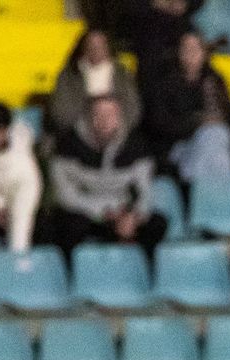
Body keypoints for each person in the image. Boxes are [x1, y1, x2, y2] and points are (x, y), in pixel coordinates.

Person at [48, 94, 167, 256]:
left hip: (122, 213)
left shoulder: (137, 145)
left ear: (119, 117)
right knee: (68, 225)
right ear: (88, 116)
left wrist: (134, 216)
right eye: (98, 114)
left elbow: (145, 191)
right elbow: (65, 195)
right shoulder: (67, 145)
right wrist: (104, 211)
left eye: (110, 114)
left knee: (157, 223)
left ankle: (139, 275)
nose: (104, 120)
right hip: (86, 212)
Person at [140, 29, 230, 182]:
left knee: (217, 137)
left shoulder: (215, 80)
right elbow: (159, 124)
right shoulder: (164, 83)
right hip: (177, 144)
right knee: (213, 139)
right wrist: (198, 122)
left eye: (195, 49)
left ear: (204, 53)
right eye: (186, 49)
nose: (191, 54)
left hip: (215, 139)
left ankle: (200, 189)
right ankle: (219, 192)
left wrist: (214, 120)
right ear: (178, 52)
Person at [48, 28, 142, 140]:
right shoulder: (69, 76)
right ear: (83, 48)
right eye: (91, 45)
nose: (96, 50)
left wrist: (113, 124)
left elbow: (133, 109)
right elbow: (61, 111)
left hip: (119, 136)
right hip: (76, 136)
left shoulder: (122, 75)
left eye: (101, 45)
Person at [0, 101, 43, 254]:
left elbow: (24, 203)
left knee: (20, 238)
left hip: (19, 205)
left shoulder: (23, 165)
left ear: (0, 129)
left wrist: (7, 210)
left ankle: (16, 270)